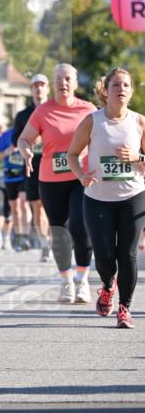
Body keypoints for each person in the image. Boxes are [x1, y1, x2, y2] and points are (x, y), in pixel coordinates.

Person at [68, 68, 145, 329]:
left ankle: (125, 308)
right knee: (104, 255)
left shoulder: (139, 122)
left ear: (131, 91)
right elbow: (72, 154)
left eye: (126, 85)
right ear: (106, 90)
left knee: (128, 254)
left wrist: (136, 158)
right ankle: (107, 284)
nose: (121, 89)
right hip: (97, 197)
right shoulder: (92, 121)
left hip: (133, 196)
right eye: (115, 85)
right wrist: (81, 175)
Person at [17, 63, 95, 304]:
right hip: (50, 180)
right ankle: (66, 282)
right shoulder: (42, 111)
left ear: (75, 83)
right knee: (59, 231)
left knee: (80, 227)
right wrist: (26, 151)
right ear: (53, 84)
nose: (63, 83)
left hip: (80, 177)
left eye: (67, 79)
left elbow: (103, 138)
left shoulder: (88, 109)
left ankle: (82, 280)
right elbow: (24, 139)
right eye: (58, 79)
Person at [12, 75, 51, 260]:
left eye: (42, 85)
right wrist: (28, 142)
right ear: (31, 90)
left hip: (53, 164)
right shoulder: (22, 116)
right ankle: (44, 243)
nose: (38, 89)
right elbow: (15, 140)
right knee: (37, 205)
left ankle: (54, 237)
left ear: (48, 88)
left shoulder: (55, 111)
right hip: (32, 164)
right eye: (35, 86)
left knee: (53, 206)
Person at [0, 125, 31, 250]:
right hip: (10, 176)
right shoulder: (5, 135)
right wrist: (8, 151)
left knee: (24, 203)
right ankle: (19, 236)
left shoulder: (27, 133)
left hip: (24, 175)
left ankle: (26, 236)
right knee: (15, 209)